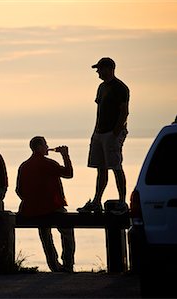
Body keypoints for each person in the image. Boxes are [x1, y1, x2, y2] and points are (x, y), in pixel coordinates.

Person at [77, 57, 129, 215]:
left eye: (100, 69)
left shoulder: (120, 88)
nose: (98, 72)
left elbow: (124, 112)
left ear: (109, 68)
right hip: (99, 132)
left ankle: (122, 201)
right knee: (100, 168)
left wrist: (115, 133)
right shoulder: (101, 87)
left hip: (111, 133)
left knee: (116, 166)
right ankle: (96, 201)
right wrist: (96, 131)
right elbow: (100, 110)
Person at [16, 136, 75, 273]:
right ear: (39, 147)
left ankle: (54, 266)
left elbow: (19, 190)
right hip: (53, 208)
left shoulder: (24, 166)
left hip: (33, 211)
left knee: (45, 235)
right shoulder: (49, 163)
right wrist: (65, 155)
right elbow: (69, 173)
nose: (47, 147)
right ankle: (67, 265)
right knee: (67, 232)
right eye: (45, 145)